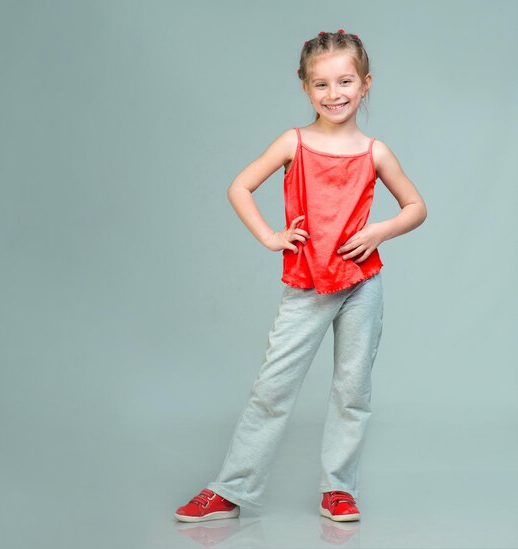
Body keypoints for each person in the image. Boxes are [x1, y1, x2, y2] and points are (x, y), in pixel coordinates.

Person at [174, 29, 427, 523]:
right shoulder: (294, 142)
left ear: (366, 83)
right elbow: (240, 187)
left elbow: (416, 207)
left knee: (352, 391)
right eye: (322, 85)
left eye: (345, 81)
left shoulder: (375, 152)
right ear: (305, 89)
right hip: (308, 286)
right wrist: (271, 237)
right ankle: (230, 489)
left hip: (362, 285)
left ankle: (338, 489)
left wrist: (381, 230)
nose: (335, 94)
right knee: (273, 389)